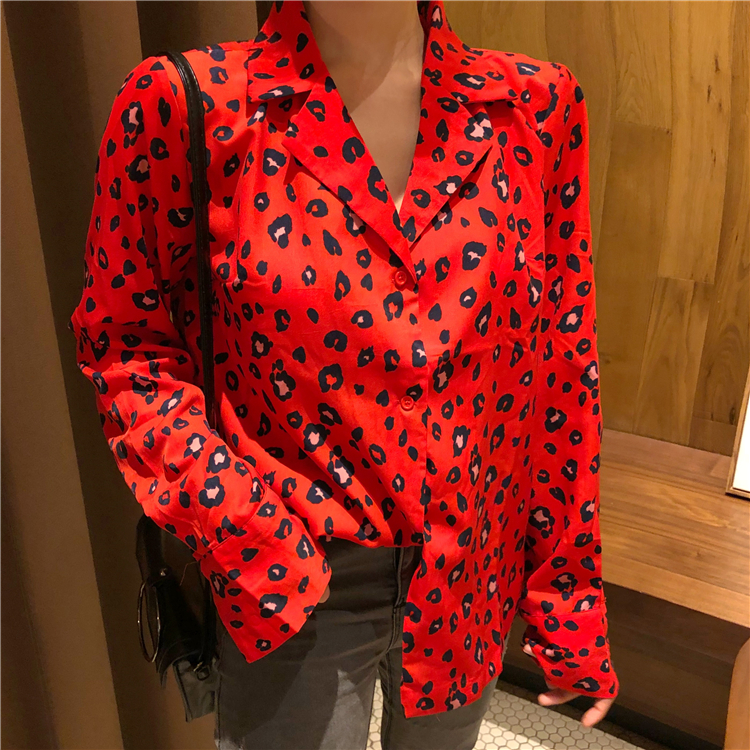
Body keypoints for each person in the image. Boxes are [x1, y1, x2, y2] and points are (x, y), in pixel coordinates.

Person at [68, 0, 619, 747]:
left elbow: (562, 361)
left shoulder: (535, 109)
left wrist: (568, 590)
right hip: (294, 572)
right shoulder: (188, 104)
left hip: (470, 566)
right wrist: (242, 528)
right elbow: (127, 346)